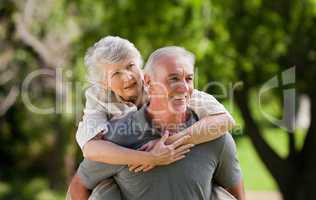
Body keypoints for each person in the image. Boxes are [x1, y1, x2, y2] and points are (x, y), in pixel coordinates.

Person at [69, 46, 245, 200]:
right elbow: (85, 163)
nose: (128, 77)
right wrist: (149, 157)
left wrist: (171, 142)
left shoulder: (214, 135)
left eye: (189, 79)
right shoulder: (115, 136)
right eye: (173, 78)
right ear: (149, 82)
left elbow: (226, 120)